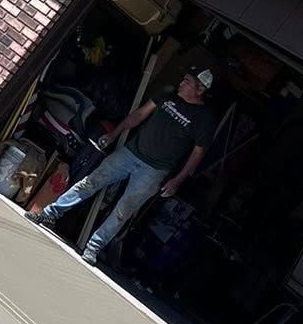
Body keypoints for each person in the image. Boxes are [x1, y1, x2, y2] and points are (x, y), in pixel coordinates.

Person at [28, 68, 217, 266]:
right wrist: (113, 134)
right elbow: (139, 115)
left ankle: (93, 248)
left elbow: (198, 153)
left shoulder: (204, 119)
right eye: (183, 78)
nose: (181, 83)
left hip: (154, 171)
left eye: (187, 82)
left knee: (123, 210)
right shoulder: (167, 94)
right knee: (91, 182)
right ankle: (49, 214)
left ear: (200, 89)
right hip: (130, 153)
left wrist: (177, 180)